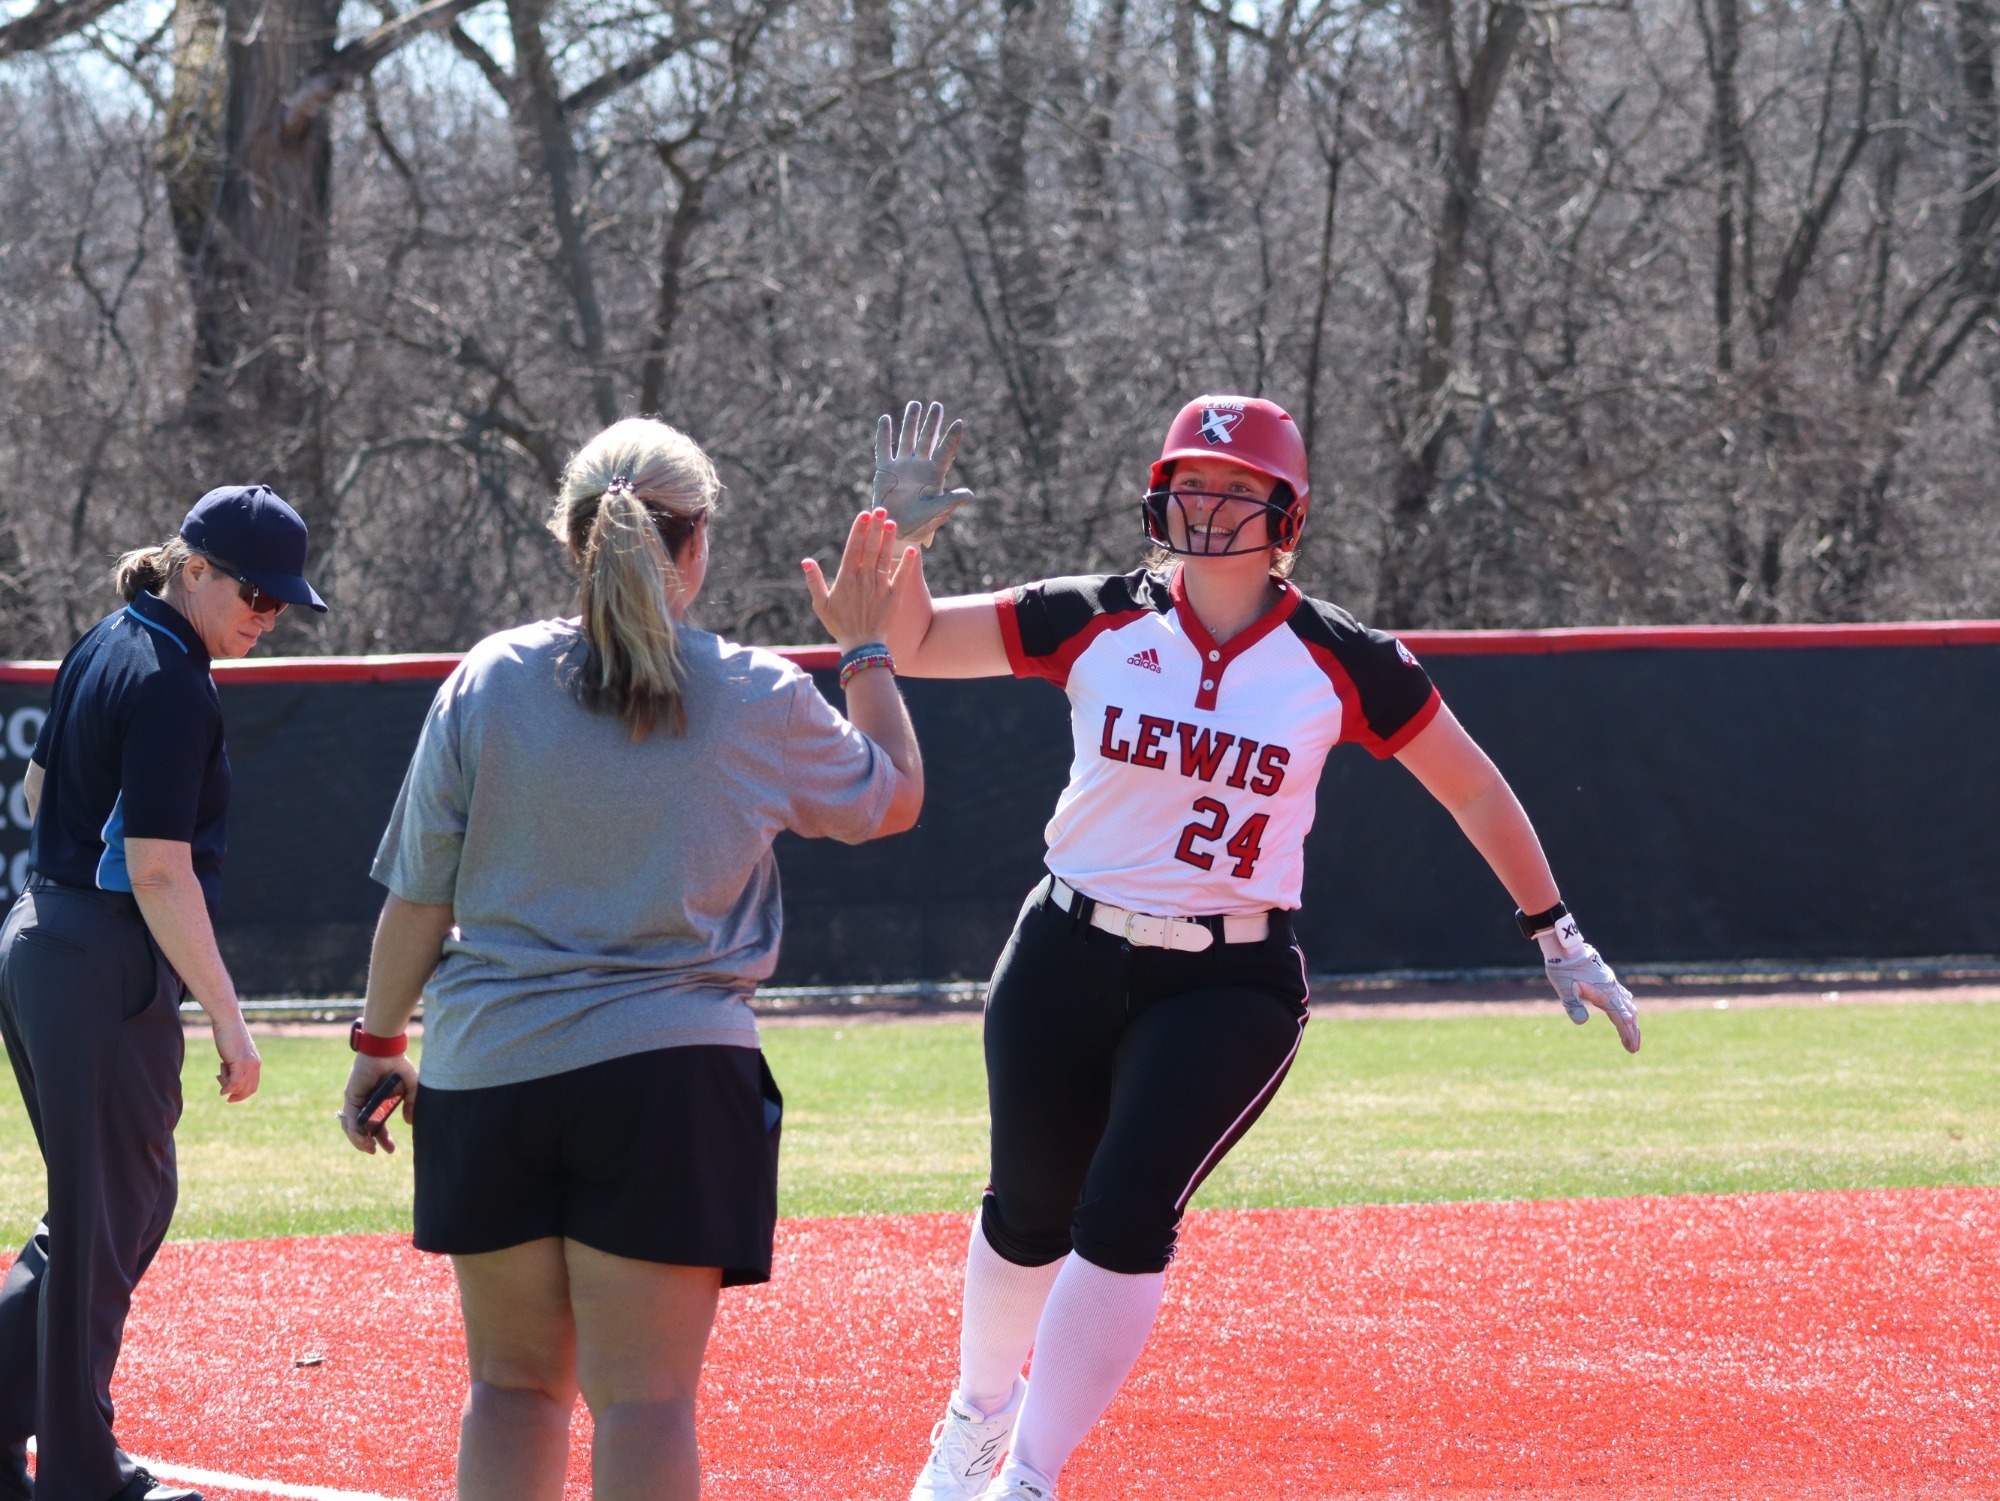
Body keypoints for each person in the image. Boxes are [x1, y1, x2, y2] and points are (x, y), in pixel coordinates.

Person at [868, 397, 1642, 1501]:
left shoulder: (1342, 658)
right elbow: (908, 641)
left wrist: (1554, 933)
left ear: (1287, 512)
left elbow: (1470, 784)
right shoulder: (1088, 613)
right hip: (1067, 944)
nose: (1209, 504)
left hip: (1227, 977)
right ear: (1157, 493)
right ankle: (973, 1417)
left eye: (1235, 487)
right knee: (1027, 1210)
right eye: (1192, 481)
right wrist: (902, 536)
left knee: (1126, 1212)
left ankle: (1026, 1478)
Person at [339, 417, 924, 1501]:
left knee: (512, 1390)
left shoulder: (487, 679)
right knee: (643, 1401)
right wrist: (865, 643)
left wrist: (377, 1044)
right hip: (669, 1079)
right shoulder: (757, 694)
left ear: (573, 541)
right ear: (695, 545)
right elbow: (894, 794)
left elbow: (418, 896)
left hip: (489, 1074)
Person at [0, 485, 326, 1501]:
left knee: (113, 1209)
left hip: (42, 936)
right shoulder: (175, 678)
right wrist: (232, 1021)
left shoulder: (110, 637)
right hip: (95, 955)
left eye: (281, 604)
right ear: (195, 569)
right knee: (108, 1216)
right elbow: (155, 867)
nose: (265, 617)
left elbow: (35, 794)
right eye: (254, 595)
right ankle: (81, 1477)